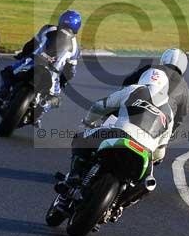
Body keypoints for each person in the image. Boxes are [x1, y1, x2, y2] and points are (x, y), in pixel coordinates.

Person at [53, 67, 175, 215]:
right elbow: (161, 151)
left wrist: (87, 122)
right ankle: (118, 207)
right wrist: (155, 158)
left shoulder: (134, 89)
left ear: (144, 79)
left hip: (119, 134)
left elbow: (101, 106)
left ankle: (73, 177)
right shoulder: (170, 114)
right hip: (145, 152)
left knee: (81, 138)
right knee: (148, 184)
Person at [0, 10, 81, 109]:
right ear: (77, 26)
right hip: (53, 72)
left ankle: (4, 91)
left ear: (61, 20)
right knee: (57, 98)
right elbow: (70, 70)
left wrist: (22, 54)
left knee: (7, 71)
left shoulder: (48, 28)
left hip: (34, 61)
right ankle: (43, 106)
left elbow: (32, 44)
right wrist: (63, 81)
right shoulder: (76, 47)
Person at [121, 48, 189, 133]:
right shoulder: (185, 88)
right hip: (158, 126)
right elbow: (180, 118)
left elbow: (126, 83)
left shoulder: (150, 68)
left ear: (163, 60)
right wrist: (170, 134)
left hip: (133, 112)